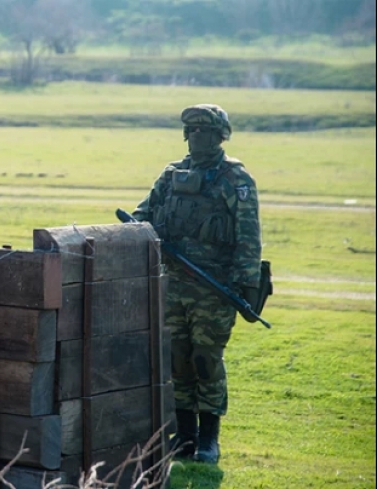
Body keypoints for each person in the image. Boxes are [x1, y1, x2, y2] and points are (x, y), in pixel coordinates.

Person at [131, 104, 262, 464]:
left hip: (213, 288)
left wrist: (243, 286)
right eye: (191, 132)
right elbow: (142, 215)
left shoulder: (235, 179)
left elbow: (248, 238)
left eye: (204, 131)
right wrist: (140, 229)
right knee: (177, 361)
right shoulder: (172, 174)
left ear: (221, 135)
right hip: (172, 285)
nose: (197, 138)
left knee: (206, 360)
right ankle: (184, 437)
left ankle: (209, 440)